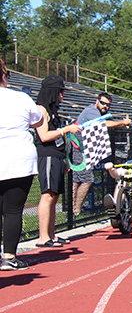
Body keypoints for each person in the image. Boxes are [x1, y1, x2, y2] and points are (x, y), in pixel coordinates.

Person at [0, 59, 44, 270]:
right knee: (12, 210)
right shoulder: (20, 97)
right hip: (18, 157)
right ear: (4, 76)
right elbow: (37, 120)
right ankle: (9, 256)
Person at [33, 75, 82, 248]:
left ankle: (51, 235)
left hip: (58, 156)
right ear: (53, 92)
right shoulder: (41, 110)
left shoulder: (53, 111)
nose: (63, 95)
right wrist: (66, 130)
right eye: (61, 92)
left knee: (55, 196)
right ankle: (43, 237)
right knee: (48, 194)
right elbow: (44, 135)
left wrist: (66, 160)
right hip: (47, 155)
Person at [71, 92, 132, 215]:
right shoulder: (92, 111)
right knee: (86, 179)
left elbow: (110, 123)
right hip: (79, 148)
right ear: (97, 101)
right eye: (103, 103)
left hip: (85, 149)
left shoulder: (101, 114)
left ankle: (73, 211)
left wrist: (123, 123)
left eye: (108, 105)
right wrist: (124, 122)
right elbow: (105, 124)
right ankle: (75, 211)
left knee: (78, 179)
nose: (105, 106)